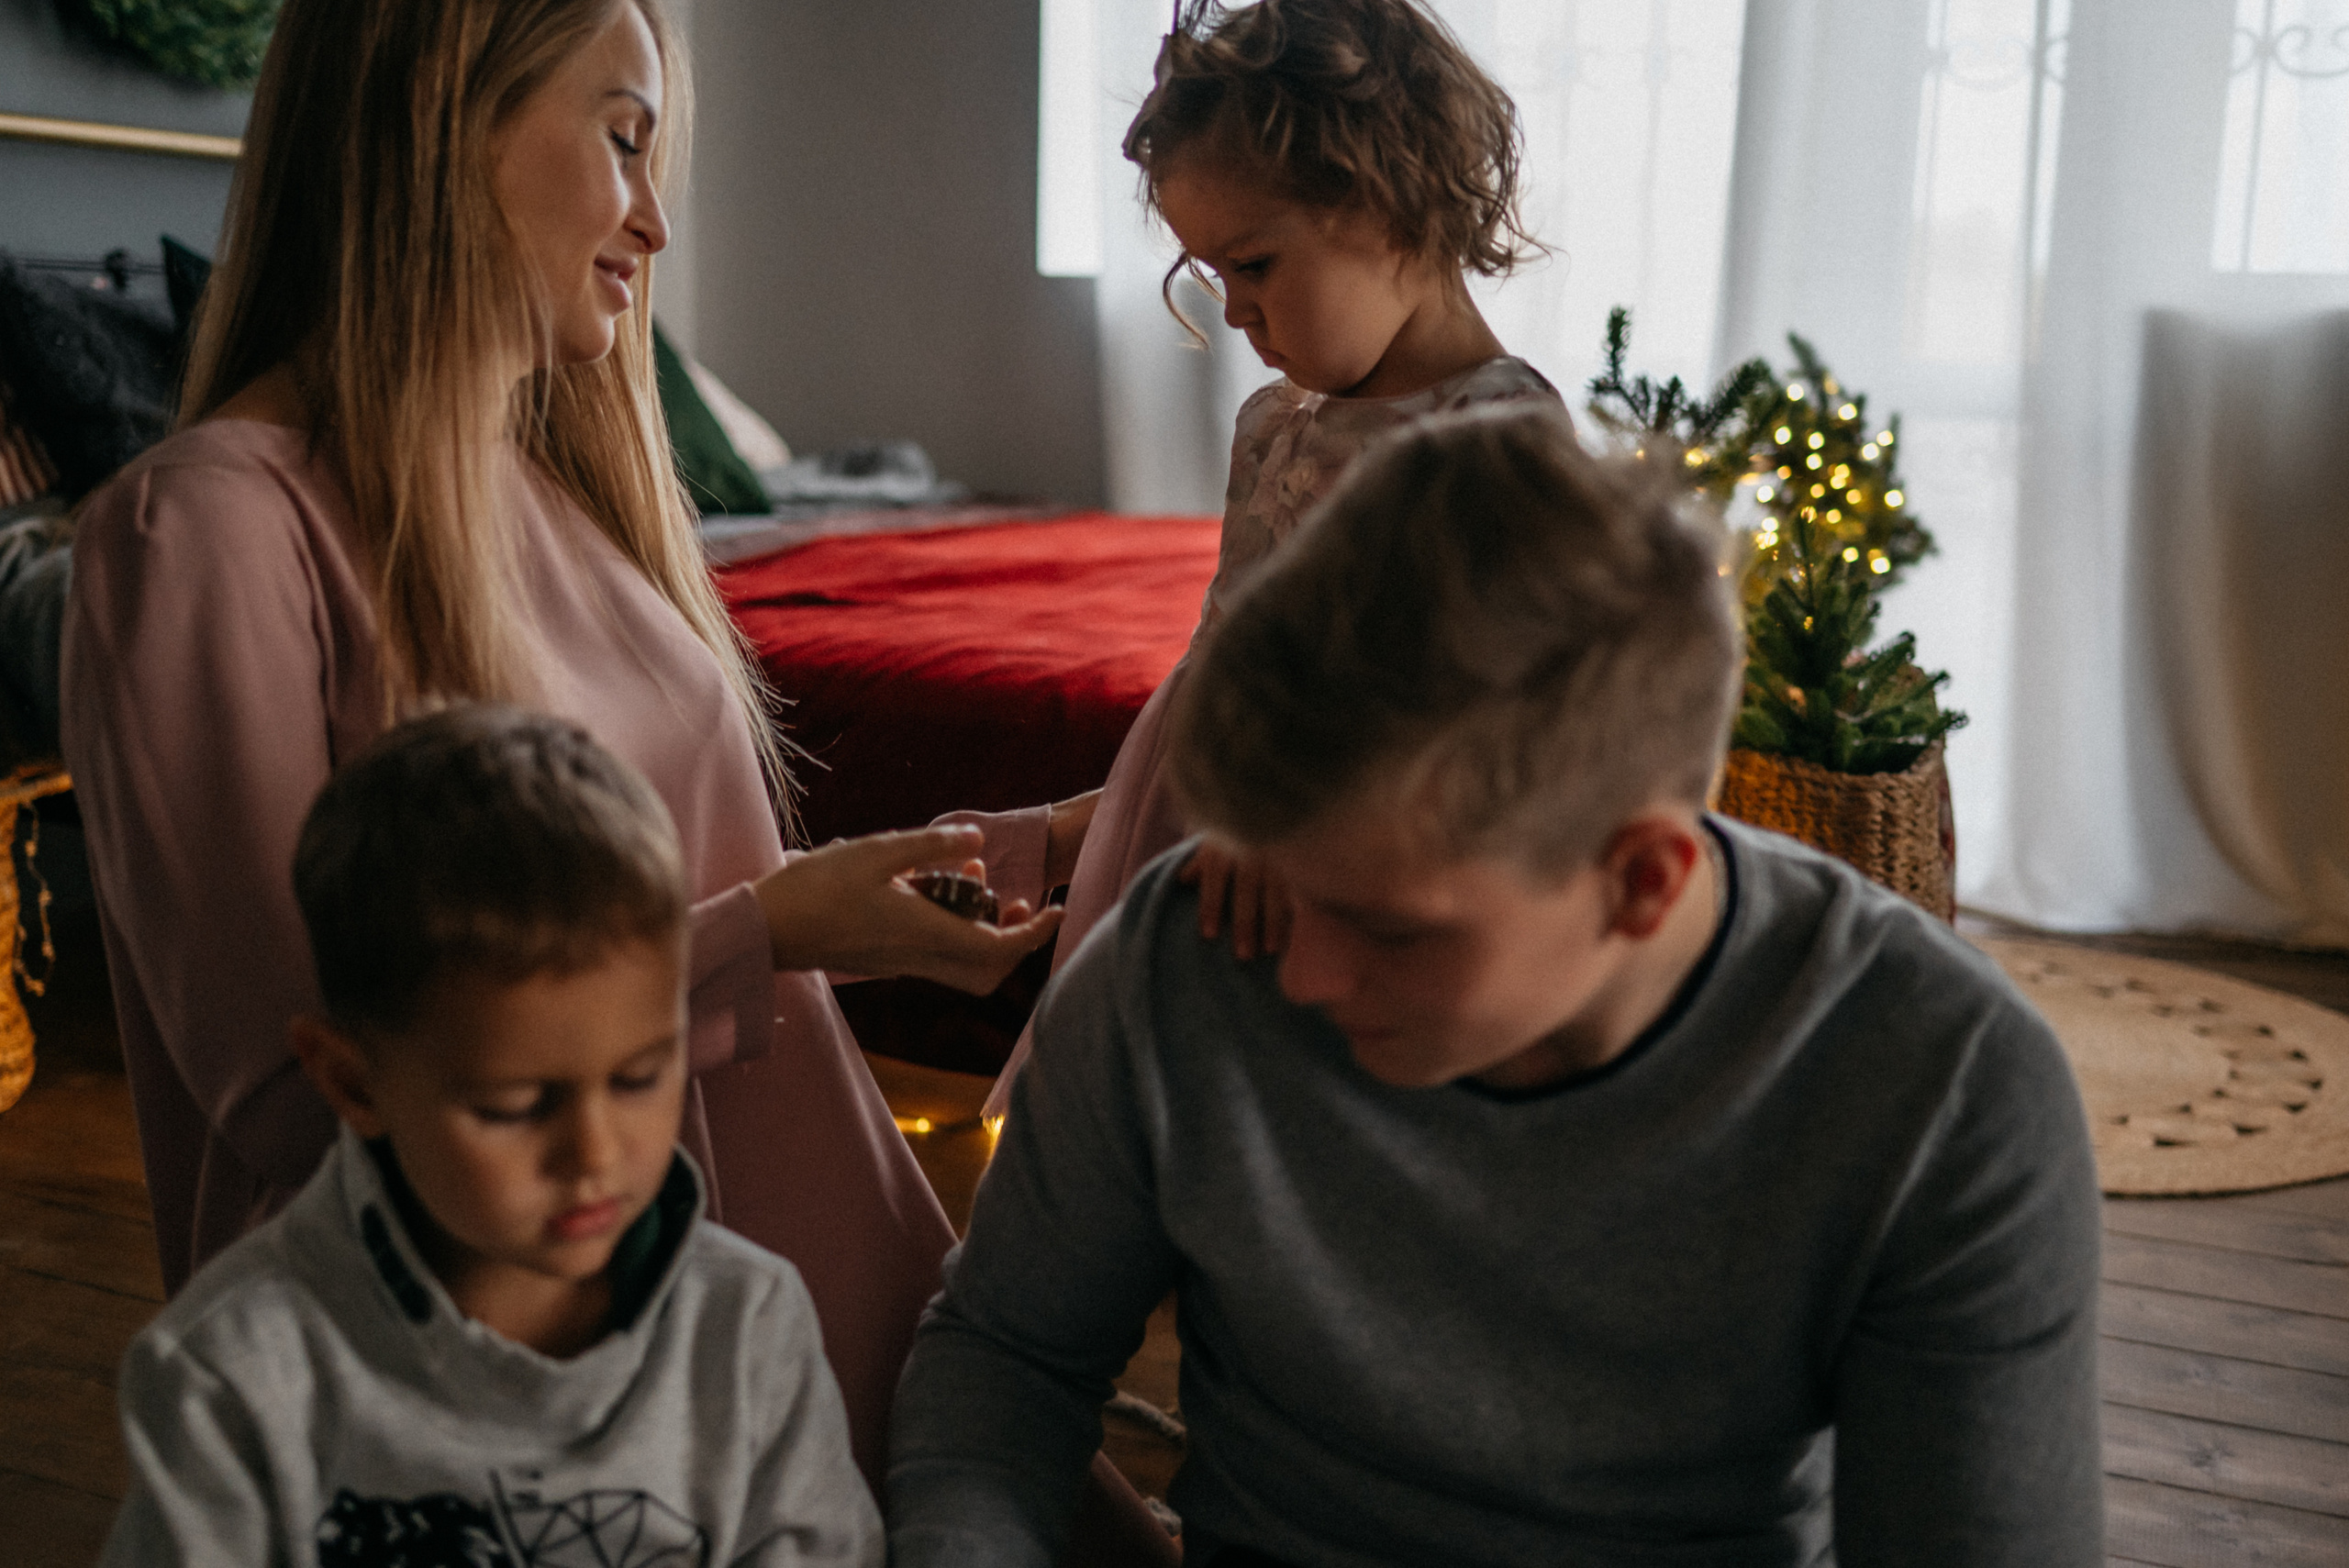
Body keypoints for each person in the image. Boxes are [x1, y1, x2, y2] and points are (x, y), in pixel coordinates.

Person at [58, 1, 1148, 1526]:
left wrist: (1022, 844)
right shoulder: (208, 533)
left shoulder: (562, 497)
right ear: (446, 122)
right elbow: (302, 1093)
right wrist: (780, 930)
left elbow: (685, 876)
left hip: (761, 1347)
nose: (653, 215)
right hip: (489, 1435)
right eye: (623, 138)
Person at [890, 409, 2106, 1566]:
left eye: (1385, 927)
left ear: (1640, 880)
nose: (1296, 971)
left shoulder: (1942, 1082)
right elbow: (1006, 1359)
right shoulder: (1190, 943)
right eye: (1276, 868)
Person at [104, 706, 880, 1567]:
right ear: (352, 1082)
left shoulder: (746, 1329)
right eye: (514, 1106)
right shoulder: (228, 1381)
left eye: (639, 1077)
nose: (594, 1155)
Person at [981, 0, 1564, 1122]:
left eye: (1254, 263)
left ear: (1392, 199)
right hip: (1188, 858)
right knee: (1117, 1135)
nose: (1238, 309)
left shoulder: (1496, 436)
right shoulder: (1269, 423)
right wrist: (1092, 824)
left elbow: (1479, 731)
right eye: (1212, 275)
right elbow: (1219, 674)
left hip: (1326, 897)